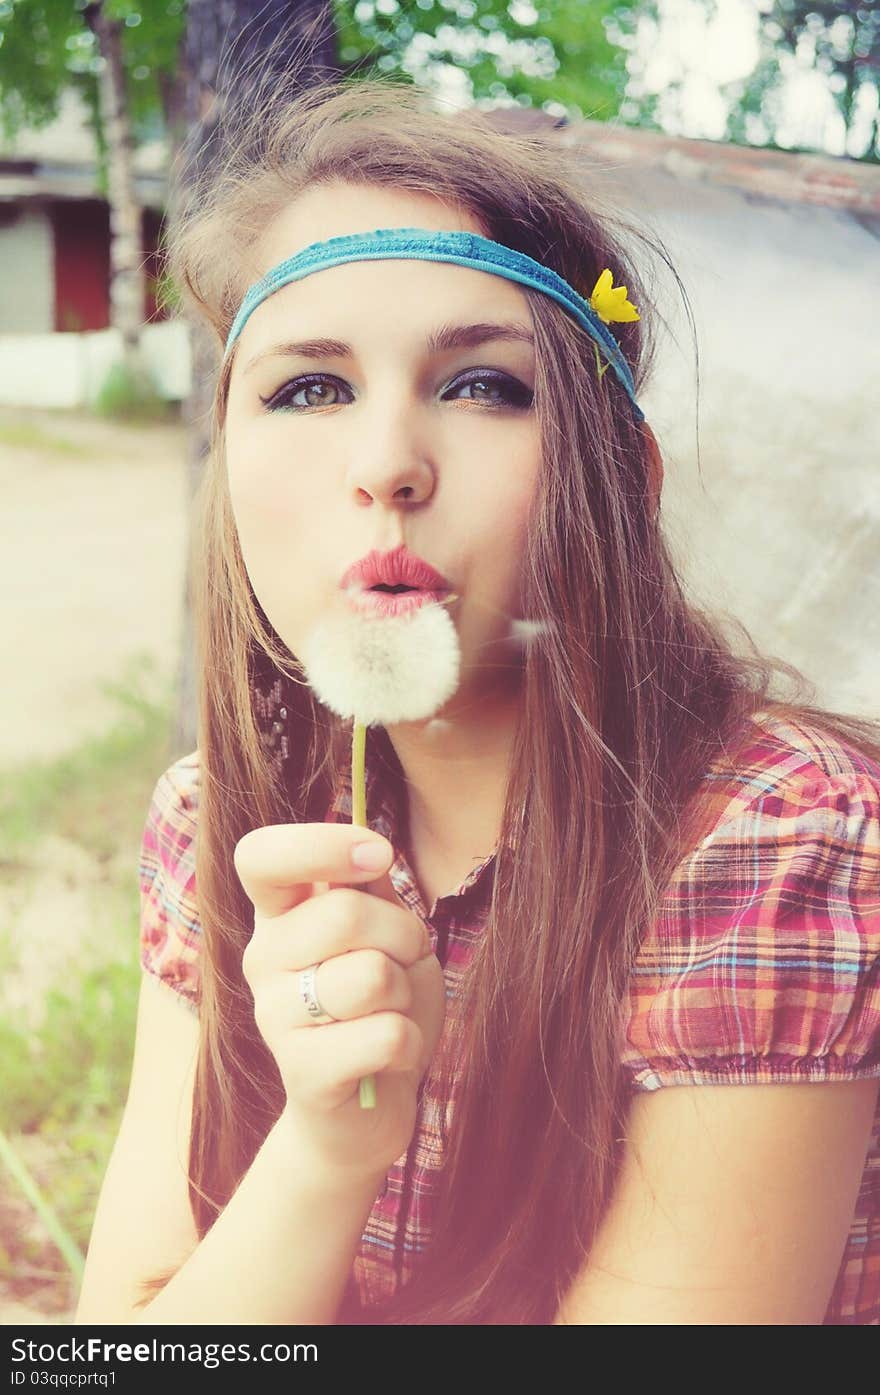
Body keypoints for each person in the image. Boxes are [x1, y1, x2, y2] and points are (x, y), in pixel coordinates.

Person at [74, 75, 880, 1326]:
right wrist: (324, 1153)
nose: (388, 464)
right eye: (308, 389)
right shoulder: (213, 821)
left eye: (482, 386)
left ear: (623, 478)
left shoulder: (781, 834)